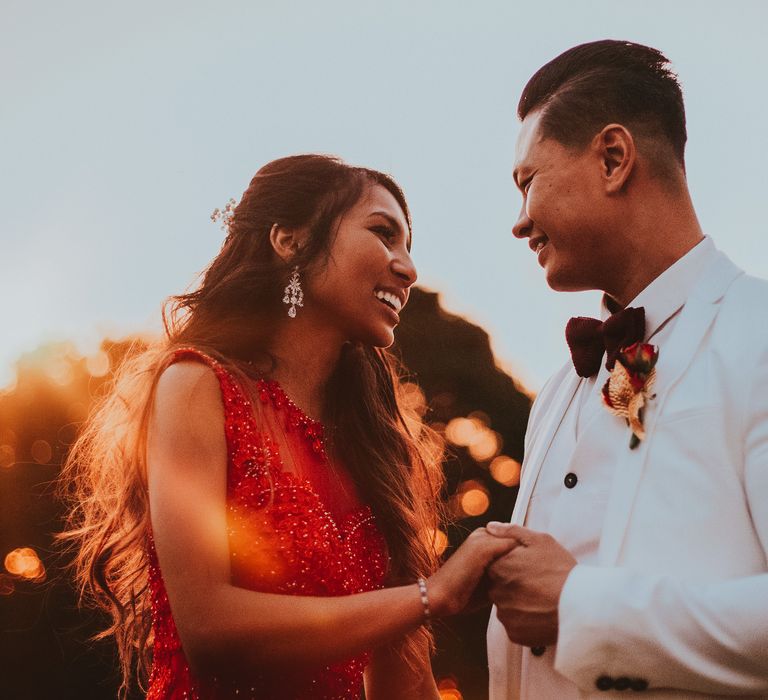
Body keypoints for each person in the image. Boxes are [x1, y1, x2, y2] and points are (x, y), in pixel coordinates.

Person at [60, 154, 516, 700]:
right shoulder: (196, 386)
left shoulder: (378, 443)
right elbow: (206, 627)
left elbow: (404, 681)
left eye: (409, 248)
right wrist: (431, 595)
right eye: (382, 234)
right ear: (289, 240)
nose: (408, 269)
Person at [486, 40, 768, 698]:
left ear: (613, 159)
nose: (519, 223)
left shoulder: (759, 334)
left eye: (527, 181)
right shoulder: (558, 392)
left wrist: (581, 609)